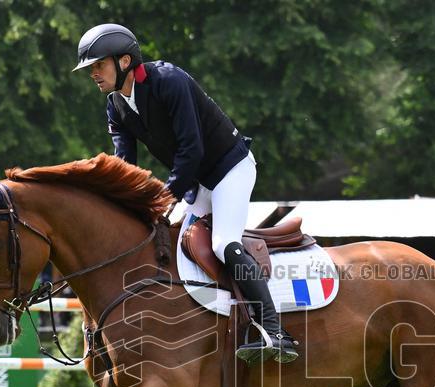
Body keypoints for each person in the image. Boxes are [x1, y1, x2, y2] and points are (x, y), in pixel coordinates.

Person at [73, 23, 298, 364]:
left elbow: (191, 149)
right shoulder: (115, 106)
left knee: (223, 244)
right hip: (197, 182)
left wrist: (164, 196)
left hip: (229, 168)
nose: (93, 73)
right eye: (90, 68)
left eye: (97, 65)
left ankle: (275, 330)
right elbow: (124, 165)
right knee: (174, 245)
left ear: (123, 62)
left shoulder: (169, 82)